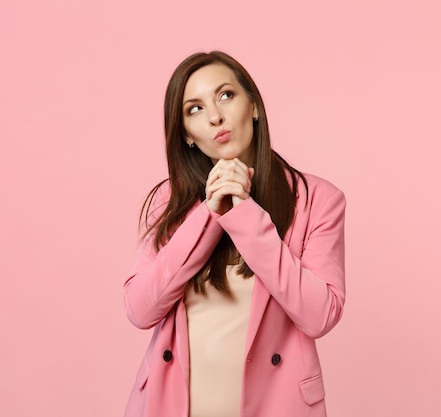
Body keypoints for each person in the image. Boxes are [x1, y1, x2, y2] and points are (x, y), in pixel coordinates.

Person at [123, 51, 346, 417]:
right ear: (188, 137)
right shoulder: (171, 200)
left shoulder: (318, 200)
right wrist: (209, 212)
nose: (215, 117)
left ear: (254, 105)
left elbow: (320, 314)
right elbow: (139, 308)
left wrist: (244, 214)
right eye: (194, 109)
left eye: (226, 95)